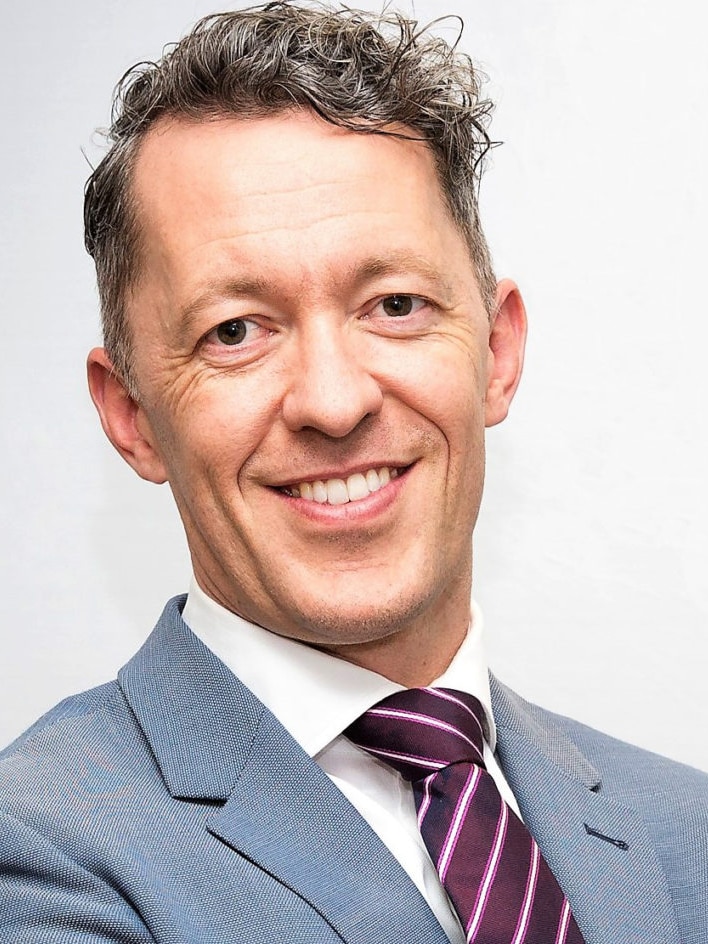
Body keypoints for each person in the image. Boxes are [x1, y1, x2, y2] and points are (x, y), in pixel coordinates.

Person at [1, 3, 706, 942]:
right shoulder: (42, 855)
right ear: (131, 417)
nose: (333, 403)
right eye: (236, 331)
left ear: (494, 352)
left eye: (397, 304)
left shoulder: (686, 832)